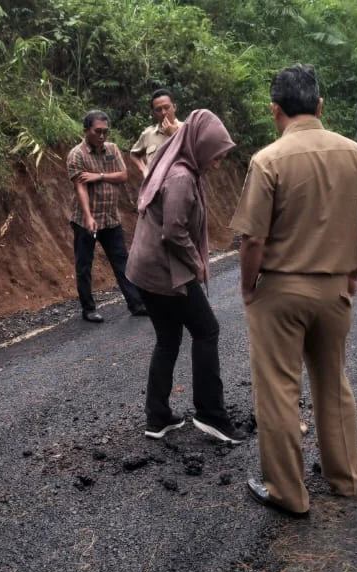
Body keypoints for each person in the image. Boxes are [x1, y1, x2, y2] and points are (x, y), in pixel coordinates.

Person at [232, 65, 357, 516]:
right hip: (334, 290)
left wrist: (247, 286)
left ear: (274, 110)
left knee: (278, 390)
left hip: (281, 290)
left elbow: (253, 239)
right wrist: (354, 273)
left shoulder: (268, 160)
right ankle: (346, 478)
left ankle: (288, 492)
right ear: (320, 106)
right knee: (332, 382)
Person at [126, 109, 246, 444]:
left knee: (168, 339)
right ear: (201, 147)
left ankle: (158, 417)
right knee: (207, 331)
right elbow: (174, 232)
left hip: (146, 269)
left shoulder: (179, 164)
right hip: (164, 271)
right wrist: (198, 263)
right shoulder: (181, 176)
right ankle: (211, 414)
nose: (217, 163)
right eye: (216, 155)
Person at [67, 110, 148, 323]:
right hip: (85, 220)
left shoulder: (112, 149)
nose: (102, 136)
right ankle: (88, 309)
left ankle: (136, 303)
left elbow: (123, 176)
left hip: (111, 218)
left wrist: (99, 176)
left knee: (122, 261)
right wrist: (88, 217)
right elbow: (80, 187)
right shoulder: (77, 155)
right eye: (97, 132)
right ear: (86, 131)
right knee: (84, 265)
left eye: (105, 132)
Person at [129, 89, 184, 175]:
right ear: (153, 113)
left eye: (167, 107)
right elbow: (133, 154)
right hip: (155, 186)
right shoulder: (148, 134)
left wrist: (175, 134)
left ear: (174, 107)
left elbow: (196, 155)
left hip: (181, 184)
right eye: (158, 110)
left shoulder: (187, 128)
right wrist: (144, 171)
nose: (163, 112)